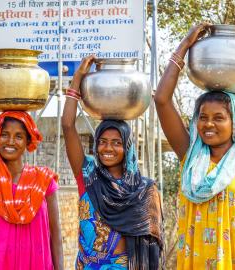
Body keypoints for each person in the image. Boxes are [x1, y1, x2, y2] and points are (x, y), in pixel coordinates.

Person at [154, 23, 235, 270]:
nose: (208, 124)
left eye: (219, 118)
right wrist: (185, 45)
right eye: (202, 117)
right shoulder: (190, 157)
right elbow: (161, 100)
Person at [62, 56, 163, 270]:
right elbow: (67, 125)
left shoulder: (144, 190)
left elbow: (151, 246)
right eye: (103, 142)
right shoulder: (88, 177)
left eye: (117, 142)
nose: (108, 148)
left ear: (127, 148)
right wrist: (78, 77)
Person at [0, 45, 63, 270]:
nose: (10, 141)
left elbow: (56, 237)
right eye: (5, 134)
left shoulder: (44, 181)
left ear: (28, 141)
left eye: (19, 136)